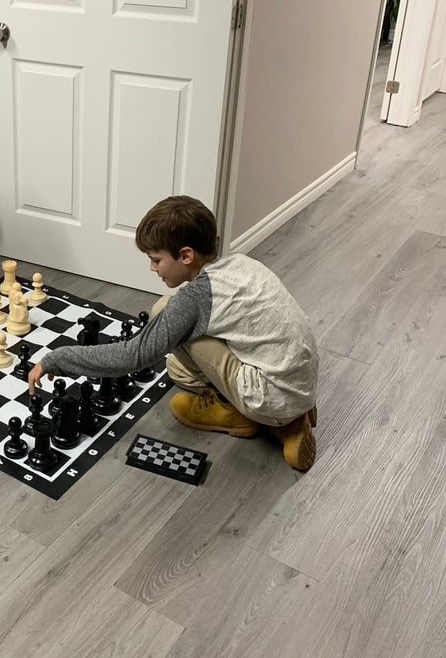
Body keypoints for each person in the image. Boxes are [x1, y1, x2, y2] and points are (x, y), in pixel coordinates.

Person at [28, 196, 319, 470]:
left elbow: (135, 354)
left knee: (169, 322)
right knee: (172, 350)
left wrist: (56, 359)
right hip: (299, 379)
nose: (152, 268)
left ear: (186, 255)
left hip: (271, 396)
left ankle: (272, 422)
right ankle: (285, 411)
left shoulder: (195, 299)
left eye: (156, 259)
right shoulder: (239, 264)